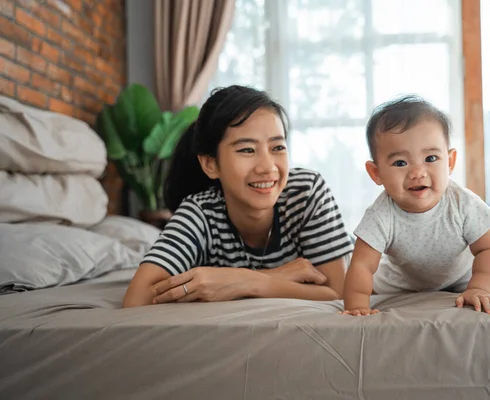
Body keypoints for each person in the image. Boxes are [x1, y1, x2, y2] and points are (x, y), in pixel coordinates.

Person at [123, 85, 354, 308]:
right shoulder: (200, 212)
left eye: (278, 148)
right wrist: (275, 276)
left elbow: (340, 292)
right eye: (247, 150)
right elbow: (137, 299)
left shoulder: (305, 192)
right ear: (210, 164)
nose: (267, 167)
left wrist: (248, 281)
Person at [342, 95, 490, 316]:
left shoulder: (462, 203)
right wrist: (357, 306)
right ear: (376, 173)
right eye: (400, 163)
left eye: (430, 158)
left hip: (463, 277)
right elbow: (362, 265)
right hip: (403, 284)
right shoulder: (380, 215)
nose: (417, 173)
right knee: (375, 283)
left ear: (449, 162)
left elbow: (488, 248)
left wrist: (479, 287)